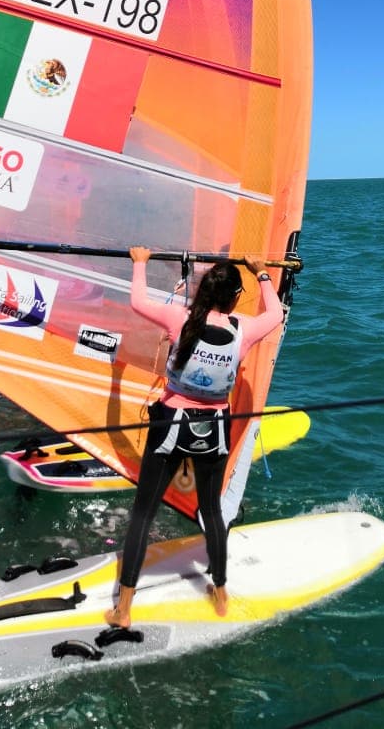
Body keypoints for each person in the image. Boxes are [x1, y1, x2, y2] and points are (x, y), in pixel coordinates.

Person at [105, 246, 284, 628]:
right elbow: (276, 314)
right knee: (212, 511)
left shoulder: (179, 318)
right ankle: (220, 590)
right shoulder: (244, 329)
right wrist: (262, 272)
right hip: (214, 429)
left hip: (170, 424)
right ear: (235, 297)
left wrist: (139, 263)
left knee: (142, 514)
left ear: (202, 291)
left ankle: (123, 609)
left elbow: (137, 300)